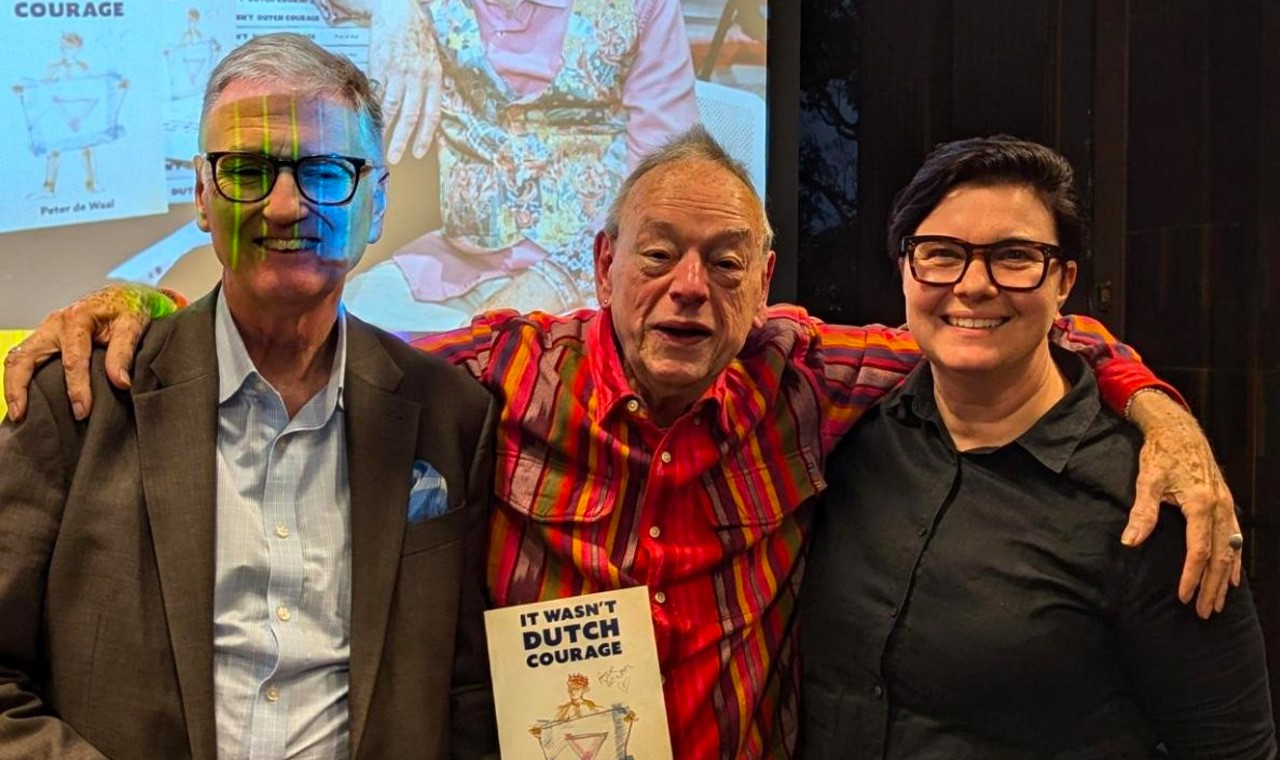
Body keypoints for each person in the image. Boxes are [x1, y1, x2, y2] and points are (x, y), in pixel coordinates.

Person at [0, 127, 1243, 760]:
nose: (685, 290)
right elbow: (301, 331)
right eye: (655, 256)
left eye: (722, 263)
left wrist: (1154, 403)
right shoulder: (494, 371)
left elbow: (997, 326)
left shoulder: (806, 374)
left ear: (765, 281)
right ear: (601, 265)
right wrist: (142, 307)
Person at [0, 34, 499, 760]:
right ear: (203, 197)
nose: (287, 206)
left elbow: (465, 696)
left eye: (326, 172)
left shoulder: (452, 415)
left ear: (377, 202)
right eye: (248, 171)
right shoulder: (80, 395)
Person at [800, 136, 1276, 759]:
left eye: (1014, 256)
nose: (973, 286)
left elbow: (1231, 748)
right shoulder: (849, 433)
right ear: (905, 270)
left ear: (1064, 282)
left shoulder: (1150, 504)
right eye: (941, 254)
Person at [326, 0, 701, 327]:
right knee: (347, 329)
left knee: (532, 380)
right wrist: (394, 5)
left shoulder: (641, 7)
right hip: (452, 269)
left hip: (599, 281)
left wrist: (551, 284)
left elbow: (666, 183)